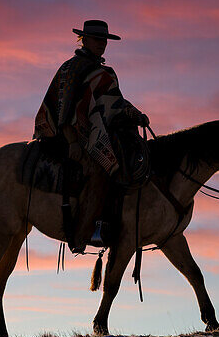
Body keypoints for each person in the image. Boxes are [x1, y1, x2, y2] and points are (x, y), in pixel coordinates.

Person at [34, 20, 148, 252]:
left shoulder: (104, 72)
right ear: (84, 39)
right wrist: (72, 141)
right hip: (67, 136)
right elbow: (63, 107)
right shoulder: (72, 69)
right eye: (97, 39)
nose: (102, 44)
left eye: (104, 40)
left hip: (96, 133)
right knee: (100, 170)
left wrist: (135, 114)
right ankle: (85, 233)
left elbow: (114, 102)